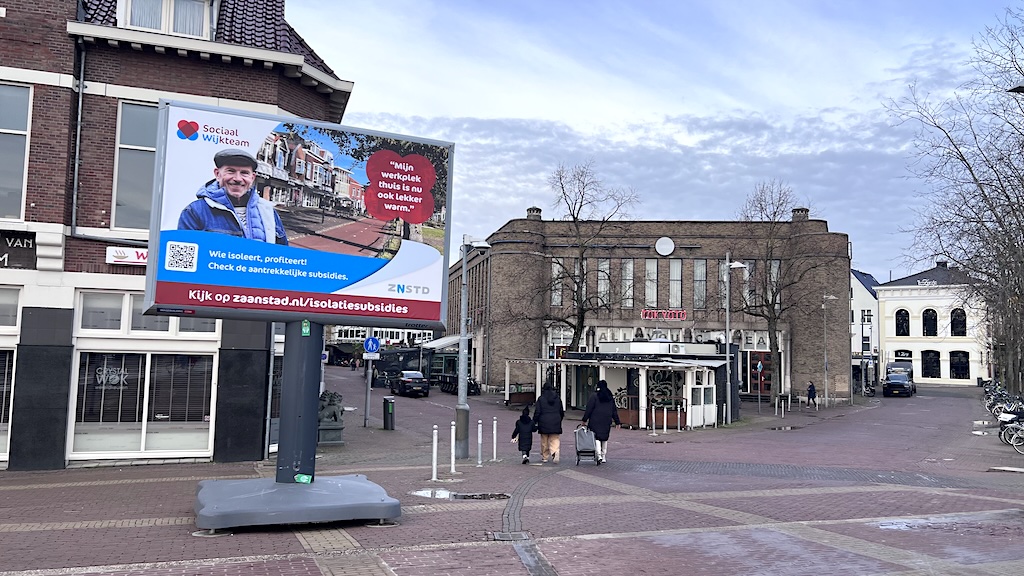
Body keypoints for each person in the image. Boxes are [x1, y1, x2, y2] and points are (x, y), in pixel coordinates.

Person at [178, 148, 288, 244]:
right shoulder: (195, 211)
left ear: (252, 177)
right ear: (217, 174)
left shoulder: (268, 211)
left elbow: (283, 256)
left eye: (244, 173)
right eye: (230, 171)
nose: (238, 179)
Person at [582, 379, 620, 464]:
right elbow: (614, 410)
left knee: (596, 437)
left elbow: (589, 409)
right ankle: (603, 456)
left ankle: (598, 454)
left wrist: (584, 419)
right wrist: (617, 422)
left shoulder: (594, 396)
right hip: (606, 420)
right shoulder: (610, 397)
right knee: (604, 438)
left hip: (595, 420)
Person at [532, 384, 565, 463]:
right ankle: (555, 452)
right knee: (555, 438)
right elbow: (561, 411)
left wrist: (534, 421)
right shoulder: (557, 398)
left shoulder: (541, 399)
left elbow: (538, 412)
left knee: (544, 440)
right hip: (556, 421)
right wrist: (559, 419)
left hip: (543, 421)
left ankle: (545, 456)